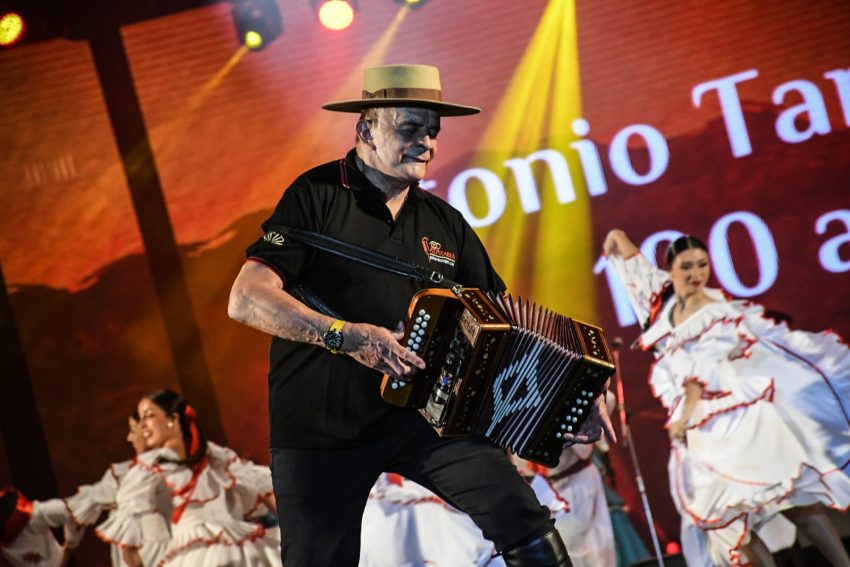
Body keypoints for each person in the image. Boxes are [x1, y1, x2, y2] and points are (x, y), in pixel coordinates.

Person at [228, 63, 613, 567]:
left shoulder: (444, 223)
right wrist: (348, 337)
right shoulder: (316, 193)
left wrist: (570, 397)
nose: (427, 143)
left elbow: (505, 326)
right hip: (320, 430)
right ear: (366, 129)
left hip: (423, 419)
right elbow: (246, 297)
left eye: (433, 131)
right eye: (410, 128)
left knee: (519, 515)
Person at [602, 229, 850, 566]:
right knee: (730, 525)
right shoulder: (660, 299)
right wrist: (614, 239)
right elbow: (631, 260)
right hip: (706, 435)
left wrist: (683, 418)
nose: (696, 273)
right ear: (670, 270)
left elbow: (702, 372)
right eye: (687, 266)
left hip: (738, 421)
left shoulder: (714, 307)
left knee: (795, 504)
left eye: (702, 265)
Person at [96, 390, 280, 567]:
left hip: (240, 545)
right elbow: (129, 547)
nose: (142, 425)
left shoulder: (215, 456)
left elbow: (262, 486)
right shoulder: (146, 470)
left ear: (173, 419)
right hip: (193, 555)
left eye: (149, 416)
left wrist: (290, 529)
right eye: (141, 418)